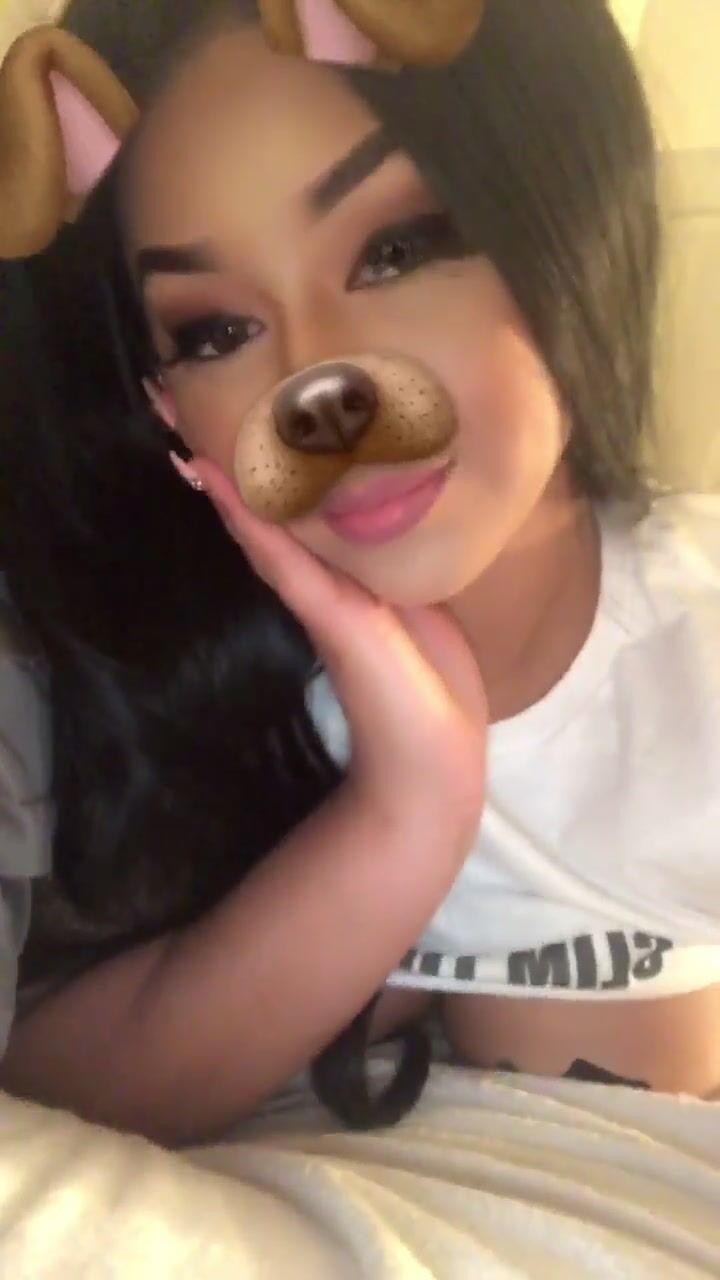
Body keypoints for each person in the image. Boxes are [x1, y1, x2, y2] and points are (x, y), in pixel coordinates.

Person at [1, 0, 718, 1148]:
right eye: (215, 330)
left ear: (564, 215)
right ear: (162, 403)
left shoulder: (695, 649)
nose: (320, 384)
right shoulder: (208, 690)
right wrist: (407, 808)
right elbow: (51, 1100)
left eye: (398, 249)